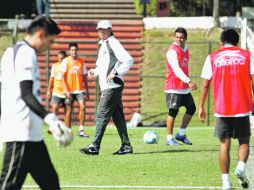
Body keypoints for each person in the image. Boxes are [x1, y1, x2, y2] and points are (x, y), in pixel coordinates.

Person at [0, 16, 72, 190]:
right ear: (40, 34)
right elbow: (25, 94)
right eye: (50, 41)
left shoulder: (14, 51)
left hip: (32, 137)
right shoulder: (26, 52)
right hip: (21, 135)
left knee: (51, 184)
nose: (50, 46)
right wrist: (52, 119)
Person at [198, 29, 252, 190]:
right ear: (237, 41)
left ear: (221, 42)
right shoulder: (247, 55)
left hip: (222, 107)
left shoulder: (212, 57)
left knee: (224, 144)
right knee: (244, 141)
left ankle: (226, 183)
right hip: (242, 105)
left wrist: (201, 106)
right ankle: (241, 166)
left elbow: (205, 84)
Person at [79, 20, 134, 155]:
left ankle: (95, 146)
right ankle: (126, 146)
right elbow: (102, 66)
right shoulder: (104, 44)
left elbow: (128, 60)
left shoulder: (112, 42)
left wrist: (116, 72)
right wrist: (94, 71)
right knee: (118, 118)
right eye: (99, 30)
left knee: (101, 114)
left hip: (112, 85)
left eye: (104, 29)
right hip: (110, 86)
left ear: (110, 29)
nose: (101, 32)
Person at [164, 27, 197, 146]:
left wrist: (186, 83)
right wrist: (189, 81)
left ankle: (181, 134)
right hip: (173, 86)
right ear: (174, 37)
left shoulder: (185, 48)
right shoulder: (172, 51)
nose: (179, 39)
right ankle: (169, 138)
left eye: (181, 37)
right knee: (173, 111)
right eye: (177, 37)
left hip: (183, 87)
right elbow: (176, 69)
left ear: (185, 38)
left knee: (191, 108)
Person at [61, 42, 90, 138]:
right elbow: (62, 76)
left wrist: (87, 90)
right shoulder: (65, 61)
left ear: (77, 51)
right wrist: (66, 90)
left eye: (75, 50)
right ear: (69, 51)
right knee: (69, 110)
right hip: (69, 90)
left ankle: (81, 130)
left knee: (83, 106)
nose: (74, 52)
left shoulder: (81, 61)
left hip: (79, 90)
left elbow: (85, 76)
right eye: (72, 50)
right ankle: (68, 130)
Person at [47, 50, 67, 116]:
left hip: (66, 92)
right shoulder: (54, 66)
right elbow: (52, 78)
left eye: (62, 58)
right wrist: (49, 90)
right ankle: (54, 125)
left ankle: (66, 126)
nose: (61, 60)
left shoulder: (68, 66)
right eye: (59, 58)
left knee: (66, 111)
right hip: (56, 91)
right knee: (55, 108)